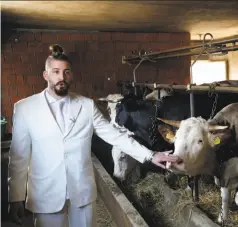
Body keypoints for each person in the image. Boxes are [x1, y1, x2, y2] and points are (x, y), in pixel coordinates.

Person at [8, 44, 180, 227]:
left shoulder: (87, 106)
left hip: (82, 193)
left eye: (66, 72)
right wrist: (15, 196)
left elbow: (116, 136)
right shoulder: (25, 108)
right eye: (55, 72)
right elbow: (18, 156)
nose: (61, 77)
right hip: (45, 194)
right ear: (45, 75)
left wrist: (151, 155)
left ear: (71, 75)